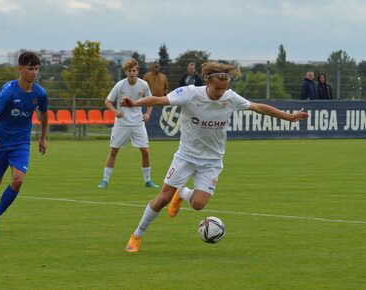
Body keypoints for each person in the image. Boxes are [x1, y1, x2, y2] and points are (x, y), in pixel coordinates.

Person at [123, 61, 309, 252]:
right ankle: (136, 235)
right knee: (162, 199)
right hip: (186, 156)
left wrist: (289, 117)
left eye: (224, 88)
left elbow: (259, 107)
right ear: (207, 82)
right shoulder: (190, 93)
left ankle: (183, 193)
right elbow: (159, 100)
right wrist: (135, 103)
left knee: (198, 205)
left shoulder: (231, 98)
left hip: (212, 161)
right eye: (217, 88)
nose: (220, 92)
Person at [0, 51, 48, 236]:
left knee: (18, 180)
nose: (34, 72)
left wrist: (43, 138)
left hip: (21, 144)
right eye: (30, 68)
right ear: (20, 69)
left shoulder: (40, 93)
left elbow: (44, 114)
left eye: (37, 69)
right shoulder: (9, 90)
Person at [97, 58, 159, 189]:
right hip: (122, 124)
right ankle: (104, 180)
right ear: (125, 72)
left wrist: (147, 114)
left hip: (138, 123)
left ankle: (148, 181)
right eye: (129, 70)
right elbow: (107, 101)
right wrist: (115, 112)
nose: (132, 73)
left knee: (145, 151)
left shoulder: (143, 85)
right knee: (113, 151)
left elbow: (151, 101)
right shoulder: (120, 85)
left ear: (137, 71)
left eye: (134, 70)